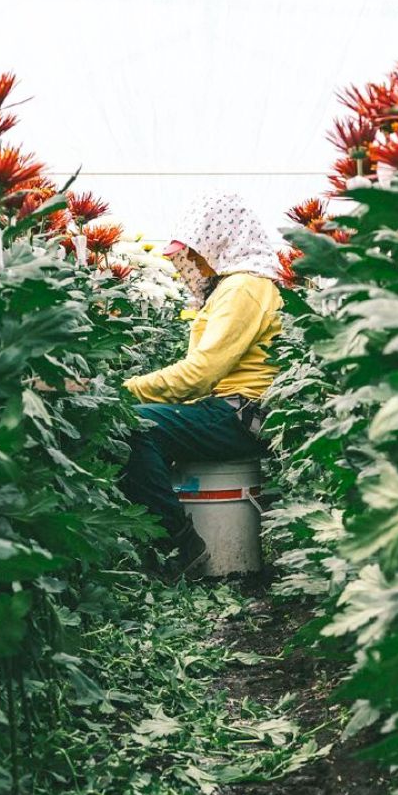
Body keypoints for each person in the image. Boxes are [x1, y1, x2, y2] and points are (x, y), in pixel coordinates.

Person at [122, 192, 284, 579]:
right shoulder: (237, 286)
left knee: (135, 428)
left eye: (194, 251)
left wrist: (123, 391)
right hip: (230, 408)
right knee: (149, 424)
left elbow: (200, 374)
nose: (190, 262)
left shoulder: (243, 287)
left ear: (220, 239)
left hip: (241, 413)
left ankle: (178, 546)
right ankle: (168, 542)